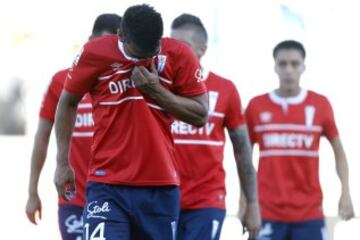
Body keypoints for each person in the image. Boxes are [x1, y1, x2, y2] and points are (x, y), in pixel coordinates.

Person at [54, 4, 208, 240]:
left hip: (160, 187)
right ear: (121, 35)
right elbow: (67, 102)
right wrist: (62, 162)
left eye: (153, 51)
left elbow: (200, 115)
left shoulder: (179, 55)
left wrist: (156, 91)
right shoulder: (94, 53)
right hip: (106, 185)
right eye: (139, 54)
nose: (146, 59)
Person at [244, 40, 355, 240]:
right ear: (275, 67)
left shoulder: (320, 104)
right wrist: (245, 200)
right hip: (267, 212)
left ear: (304, 67)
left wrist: (345, 192)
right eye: (283, 64)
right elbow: (244, 156)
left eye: (295, 64)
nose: (289, 70)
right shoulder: (256, 106)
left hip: (309, 213)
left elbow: (338, 149)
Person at [25, 13, 122, 240]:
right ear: (89, 41)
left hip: (115, 198)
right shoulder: (61, 82)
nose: (106, 53)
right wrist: (32, 192)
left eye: (114, 47)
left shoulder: (123, 84)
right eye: (102, 44)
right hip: (73, 199)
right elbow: (42, 137)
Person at [170, 14, 261, 240]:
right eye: (171, 45)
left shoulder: (225, 89)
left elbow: (242, 152)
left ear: (202, 49)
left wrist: (252, 203)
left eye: (183, 46)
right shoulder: (156, 87)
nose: (175, 52)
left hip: (206, 201)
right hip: (160, 200)